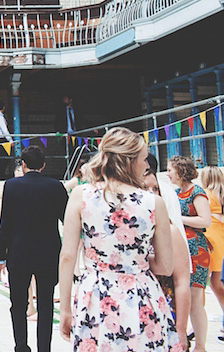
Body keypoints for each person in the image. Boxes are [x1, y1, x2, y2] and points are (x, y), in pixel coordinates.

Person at [58, 128, 179, 351]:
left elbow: (67, 256)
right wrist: (134, 262)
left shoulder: (81, 195)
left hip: (95, 295)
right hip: (141, 294)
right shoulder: (154, 203)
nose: (146, 166)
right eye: (144, 160)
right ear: (129, 161)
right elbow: (165, 266)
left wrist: (65, 309)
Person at [0, 145, 67, 352]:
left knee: (18, 304)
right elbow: (67, 219)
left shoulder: (12, 185)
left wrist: (0, 256)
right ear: (43, 165)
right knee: (45, 305)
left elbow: (5, 222)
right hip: (48, 252)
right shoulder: (55, 186)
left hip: (19, 252)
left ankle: (21, 346)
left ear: (23, 164)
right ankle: (44, 348)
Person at [144, 168, 193, 347]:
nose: (151, 194)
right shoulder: (130, 231)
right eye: (145, 188)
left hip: (166, 312)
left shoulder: (170, 232)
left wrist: (181, 328)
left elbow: (182, 282)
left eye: (155, 189)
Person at [168, 155, 211, 352]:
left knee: (195, 299)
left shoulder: (197, 192)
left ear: (180, 171)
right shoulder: (175, 193)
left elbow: (205, 221)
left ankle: (201, 346)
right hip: (181, 247)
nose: (168, 174)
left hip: (196, 249)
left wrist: (180, 219)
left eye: (170, 170)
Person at [200, 166, 224, 341]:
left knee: (209, 283)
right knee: (218, 282)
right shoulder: (221, 193)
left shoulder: (206, 194)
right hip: (222, 238)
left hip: (211, 240)